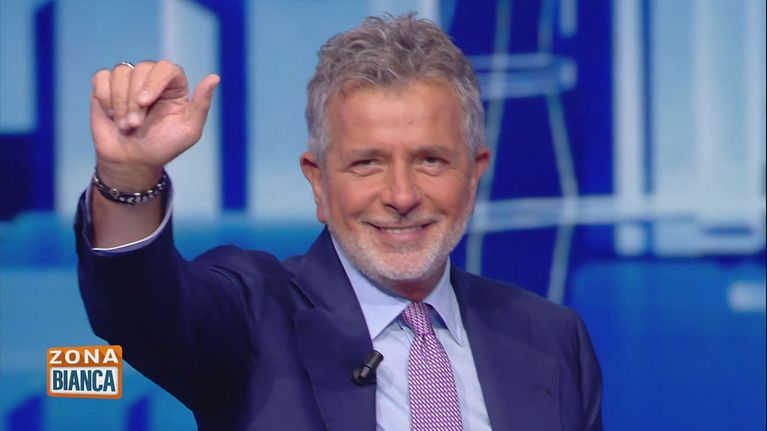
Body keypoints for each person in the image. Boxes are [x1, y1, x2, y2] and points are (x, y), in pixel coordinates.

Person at [76, 14, 602, 431]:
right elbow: (141, 311)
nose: (401, 196)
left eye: (430, 160)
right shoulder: (253, 313)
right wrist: (128, 177)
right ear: (319, 182)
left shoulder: (552, 337)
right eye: (367, 163)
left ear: (473, 174)